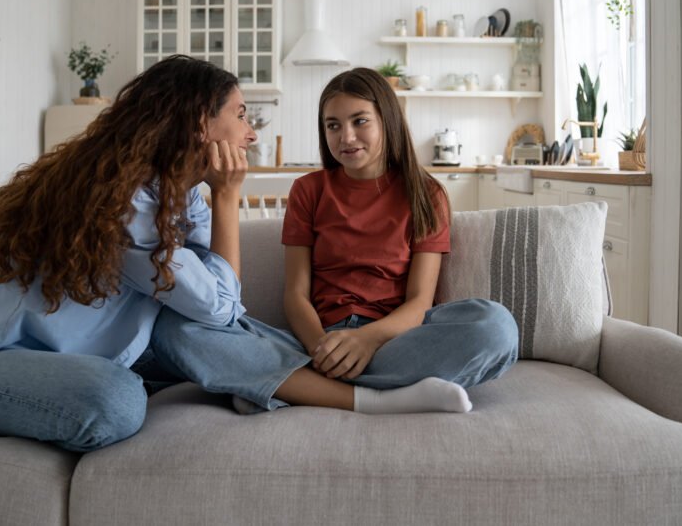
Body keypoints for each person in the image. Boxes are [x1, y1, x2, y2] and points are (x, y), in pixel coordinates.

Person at [0, 54, 258, 451]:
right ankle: (246, 382)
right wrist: (227, 196)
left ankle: (294, 381)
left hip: (67, 357)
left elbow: (221, 306)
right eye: (241, 115)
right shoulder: (123, 203)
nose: (252, 134)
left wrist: (207, 194)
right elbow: (219, 305)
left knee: (200, 339)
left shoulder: (176, 190)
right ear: (198, 124)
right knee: (117, 401)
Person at [152, 67, 518, 414]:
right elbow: (296, 295)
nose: (346, 137)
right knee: (177, 330)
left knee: (495, 325)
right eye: (333, 125)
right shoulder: (308, 190)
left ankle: (284, 386)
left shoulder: (426, 194)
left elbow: (419, 302)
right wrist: (320, 348)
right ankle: (342, 391)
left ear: (387, 121)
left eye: (360, 121)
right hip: (312, 343)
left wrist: (366, 340)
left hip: (390, 342)